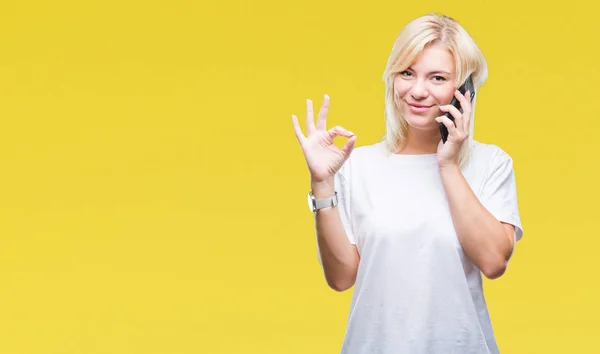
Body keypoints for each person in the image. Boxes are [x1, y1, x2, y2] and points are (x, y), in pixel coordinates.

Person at [291, 13, 524, 354]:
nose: (417, 91)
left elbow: (493, 262)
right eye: (407, 73)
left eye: (438, 78)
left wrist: (447, 164)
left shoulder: (490, 164)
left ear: (465, 90)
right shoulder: (359, 166)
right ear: (392, 79)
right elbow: (341, 279)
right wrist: (322, 183)